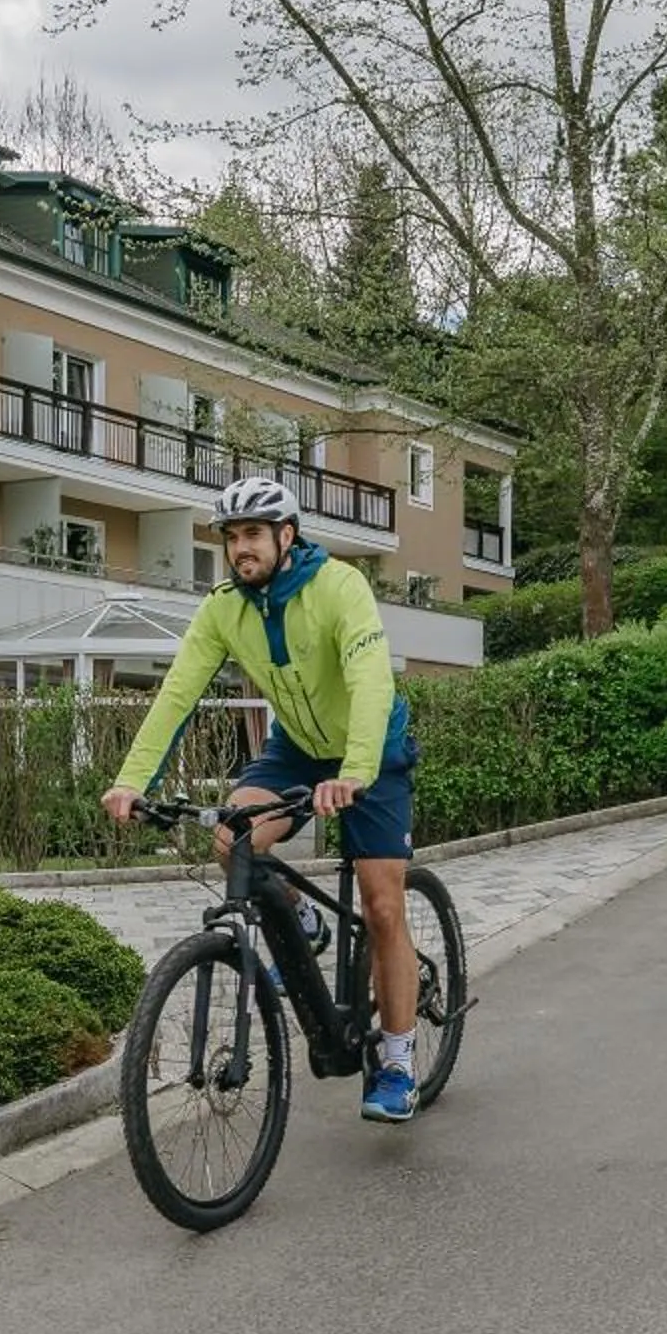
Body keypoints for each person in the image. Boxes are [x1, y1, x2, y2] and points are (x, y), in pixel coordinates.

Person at [101, 476, 426, 1125]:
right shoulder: (224, 608)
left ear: (286, 535)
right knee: (232, 837)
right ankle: (299, 918)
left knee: (384, 906)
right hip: (299, 748)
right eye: (230, 537)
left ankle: (397, 1062)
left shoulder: (340, 586)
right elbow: (177, 694)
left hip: (373, 752)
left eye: (252, 534)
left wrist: (357, 770)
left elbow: (368, 682)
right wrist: (131, 779)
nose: (240, 548)